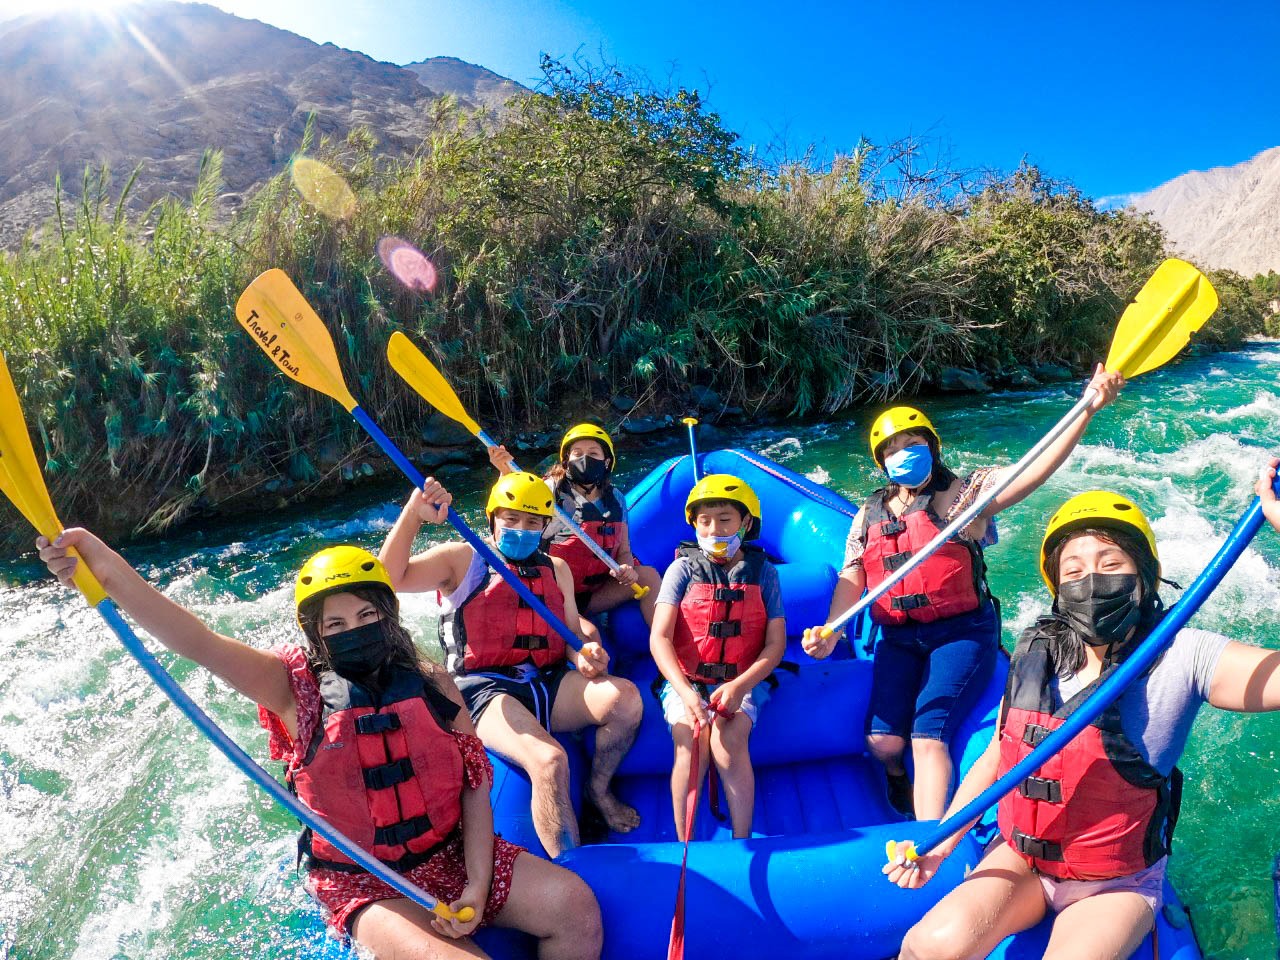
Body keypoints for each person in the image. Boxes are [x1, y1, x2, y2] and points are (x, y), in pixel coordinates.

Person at [35, 504, 602, 960]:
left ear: (388, 615)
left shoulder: (432, 680)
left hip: (450, 853)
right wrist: (102, 566)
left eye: (367, 616)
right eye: (336, 623)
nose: (355, 630)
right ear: (316, 633)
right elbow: (197, 640)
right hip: (364, 879)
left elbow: (474, 782)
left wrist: (477, 883)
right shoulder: (292, 688)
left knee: (575, 907)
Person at [885, 466, 1280, 960]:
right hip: (1021, 860)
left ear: (1143, 576)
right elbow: (999, 756)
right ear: (1056, 585)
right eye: (1073, 571)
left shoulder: (1185, 655)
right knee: (927, 946)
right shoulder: (1039, 650)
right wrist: (943, 842)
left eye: (1110, 563)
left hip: (1115, 884)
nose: (1091, 581)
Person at [804, 367, 1124, 821]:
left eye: (912, 443)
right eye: (892, 449)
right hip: (899, 637)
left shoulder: (965, 495)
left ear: (931, 447)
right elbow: (854, 575)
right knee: (883, 744)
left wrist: (1087, 408)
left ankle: (927, 838)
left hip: (961, 632)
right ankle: (895, 775)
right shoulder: (868, 514)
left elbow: (1033, 469)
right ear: (881, 462)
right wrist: (834, 629)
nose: (903, 454)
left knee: (927, 737)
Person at [379, 470, 643, 858]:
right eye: (511, 519)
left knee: (626, 700)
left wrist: (583, 655)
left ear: (545, 527)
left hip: (546, 681)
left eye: (532, 522)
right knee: (550, 761)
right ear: (492, 519)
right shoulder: (462, 559)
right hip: (483, 689)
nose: (521, 529)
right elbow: (387, 578)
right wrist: (413, 515)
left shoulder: (557, 569)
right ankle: (571, 868)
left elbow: (571, 634)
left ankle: (598, 790)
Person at [649, 474, 787, 839]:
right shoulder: (681, 570)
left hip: (744, 679)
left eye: (725, 519)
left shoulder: (764, 573)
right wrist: (685, 693)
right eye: (704, 521)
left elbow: (775, 645)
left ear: (746, 522)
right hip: (687, 681)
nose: (714, 530)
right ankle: (685, 842)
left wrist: (739, 686)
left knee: (728, 743)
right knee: (691, 744)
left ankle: (742, 838)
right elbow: (660, 638)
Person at [488, 423, 661, 628]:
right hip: (551, 591)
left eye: (593, 453)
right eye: (577, 453)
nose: (584, 459)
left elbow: (624, 551)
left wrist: (626, 568)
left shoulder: (616, 499)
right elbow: (510, 508)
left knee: (648, 576)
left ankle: (667, 640)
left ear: (606, 462)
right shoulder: (549, 491)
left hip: (592, 594)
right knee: (589, 633)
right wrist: (504, 472)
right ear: (566, 461)